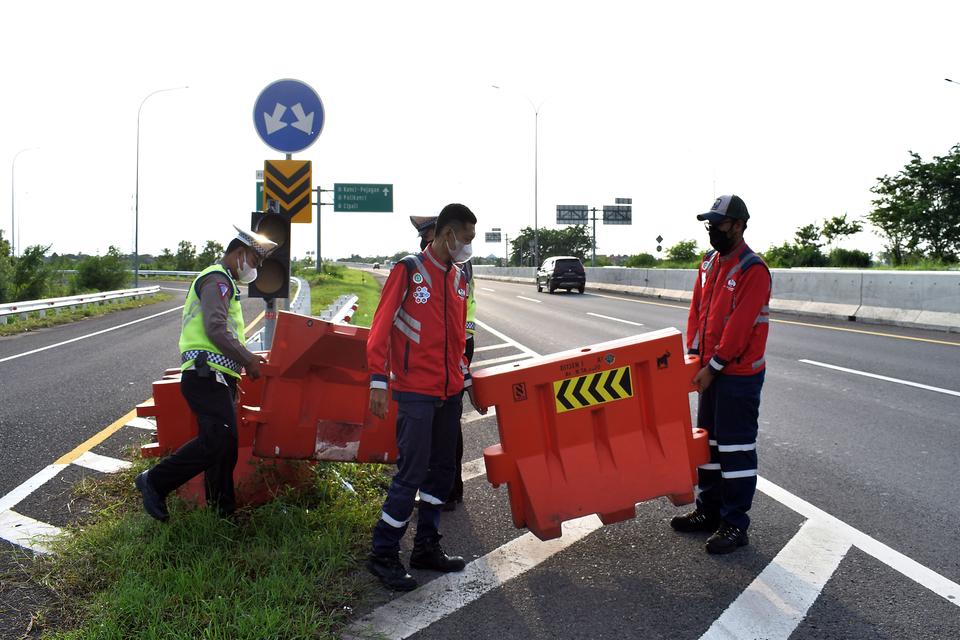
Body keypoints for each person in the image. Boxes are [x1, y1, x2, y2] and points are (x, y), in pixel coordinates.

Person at [366, 204, 485, 591]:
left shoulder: (458, 278)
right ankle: (383, 553)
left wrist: (467, 384)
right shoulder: (408, 270)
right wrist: (378, 382)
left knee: (442, 473)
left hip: (449, 392)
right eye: (465, 239)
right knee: (410, 474)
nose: (467, 247)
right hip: (415, 391)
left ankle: (426, 547)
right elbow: (379, 331)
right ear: (446, 234)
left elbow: (457, 343)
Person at [134, 225, 277, 522]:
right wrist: (248, 359)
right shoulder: (217, 280)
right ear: (239, 253)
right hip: (205, 373)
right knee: (218, 441)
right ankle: (156, 481)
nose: (256, 268)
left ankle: (222, 514)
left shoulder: (225, 283)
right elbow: (215, 328)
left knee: (224, 447)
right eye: (255, 260)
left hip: (217, 376)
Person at [671, 195, 771, 554]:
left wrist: (713, 368)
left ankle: (735, 524)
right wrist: (694, 358)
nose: (713, 229)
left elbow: (739, 328)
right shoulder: (709, 262)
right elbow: (698, 313)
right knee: (709, 446)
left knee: (736, 449)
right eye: (709, 223)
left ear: (739, 225)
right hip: (710, 371)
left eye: (719, 223)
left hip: (738, 375)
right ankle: (708, 511)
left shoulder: (752, 269)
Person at [409, 215, 477, 510]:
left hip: (456, 345)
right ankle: (442, 487)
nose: (424, 244)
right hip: (451, 343)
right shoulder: (425, 263)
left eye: (427, 238)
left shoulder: (455, 263)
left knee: (447, 422)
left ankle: (447, 488)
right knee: (442, 422)